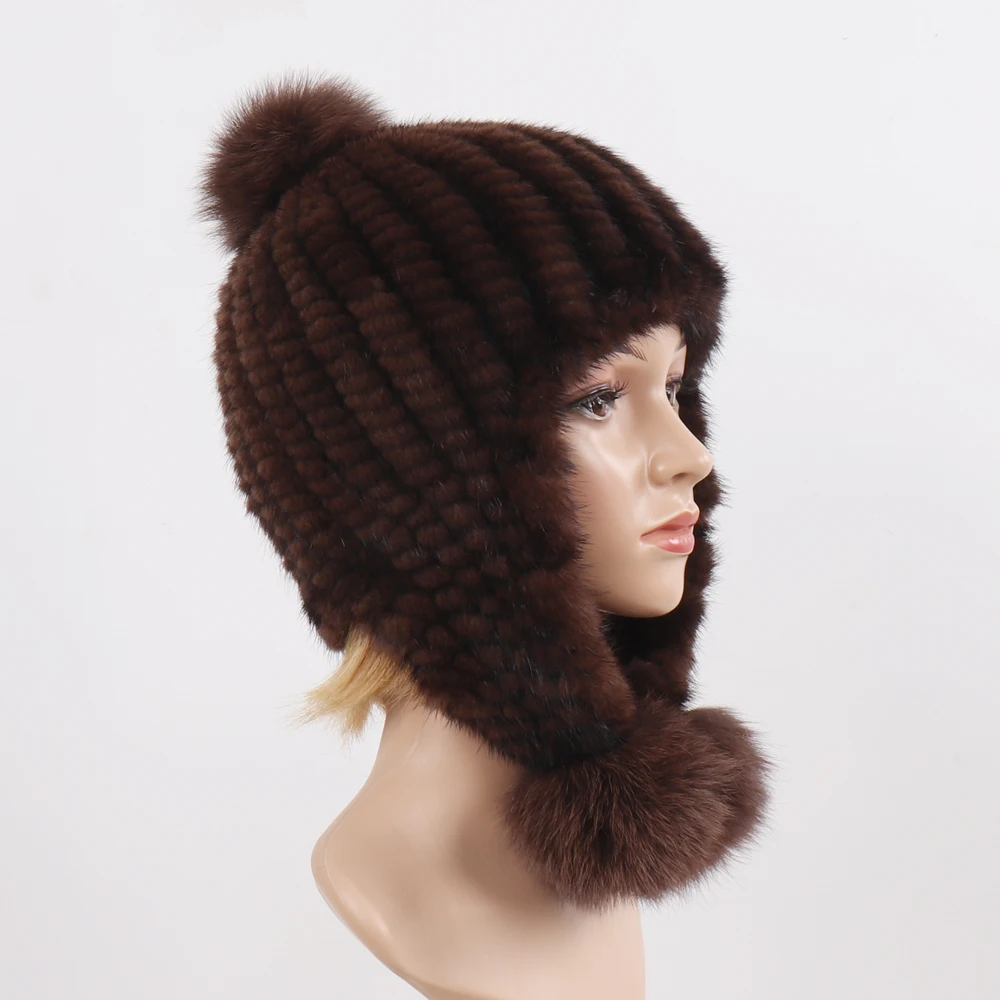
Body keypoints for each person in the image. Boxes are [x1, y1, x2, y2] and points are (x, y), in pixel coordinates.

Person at [198, 71, 773, 1000]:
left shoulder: (580, 832)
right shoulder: (397, 877)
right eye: (598, 399)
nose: (689, 455)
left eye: (673, 388)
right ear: (418, 484)